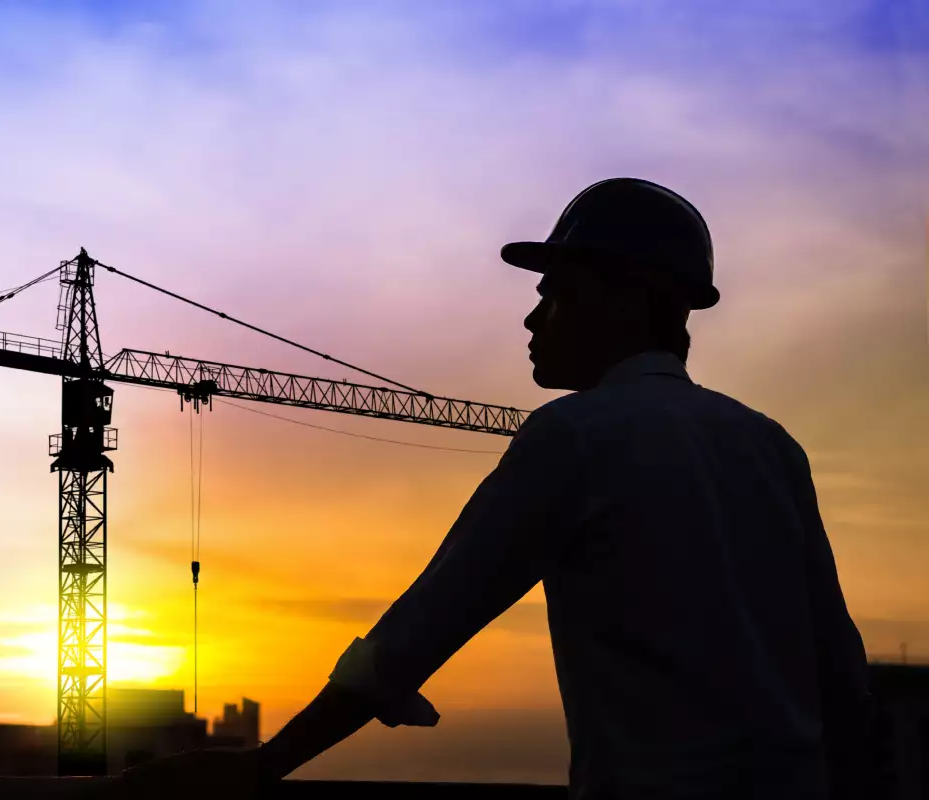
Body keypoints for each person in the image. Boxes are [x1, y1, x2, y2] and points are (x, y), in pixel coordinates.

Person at [119, 178, 875, 800]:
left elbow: (418, 631)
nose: (531, 314)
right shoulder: (773, 446)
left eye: (556, 292)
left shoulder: (575, 436)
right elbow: (841, 676)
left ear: (627, 297)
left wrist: (263, 766)